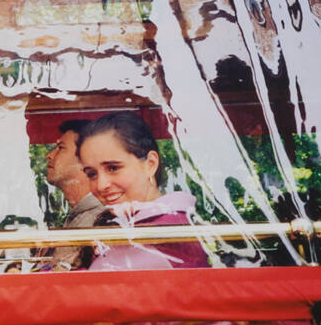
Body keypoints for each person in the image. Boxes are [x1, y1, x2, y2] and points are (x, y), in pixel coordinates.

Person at [77, 112, 210, 270]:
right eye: (92, 174)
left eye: (113, 168)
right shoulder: (132, 224)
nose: (100, 185)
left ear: (150, 164)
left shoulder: (167, 232)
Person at [36, 119, 105, 271]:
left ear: (86, 161)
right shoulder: (81, 215)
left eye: (60, 148)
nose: (49, 155)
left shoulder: (95, 220)